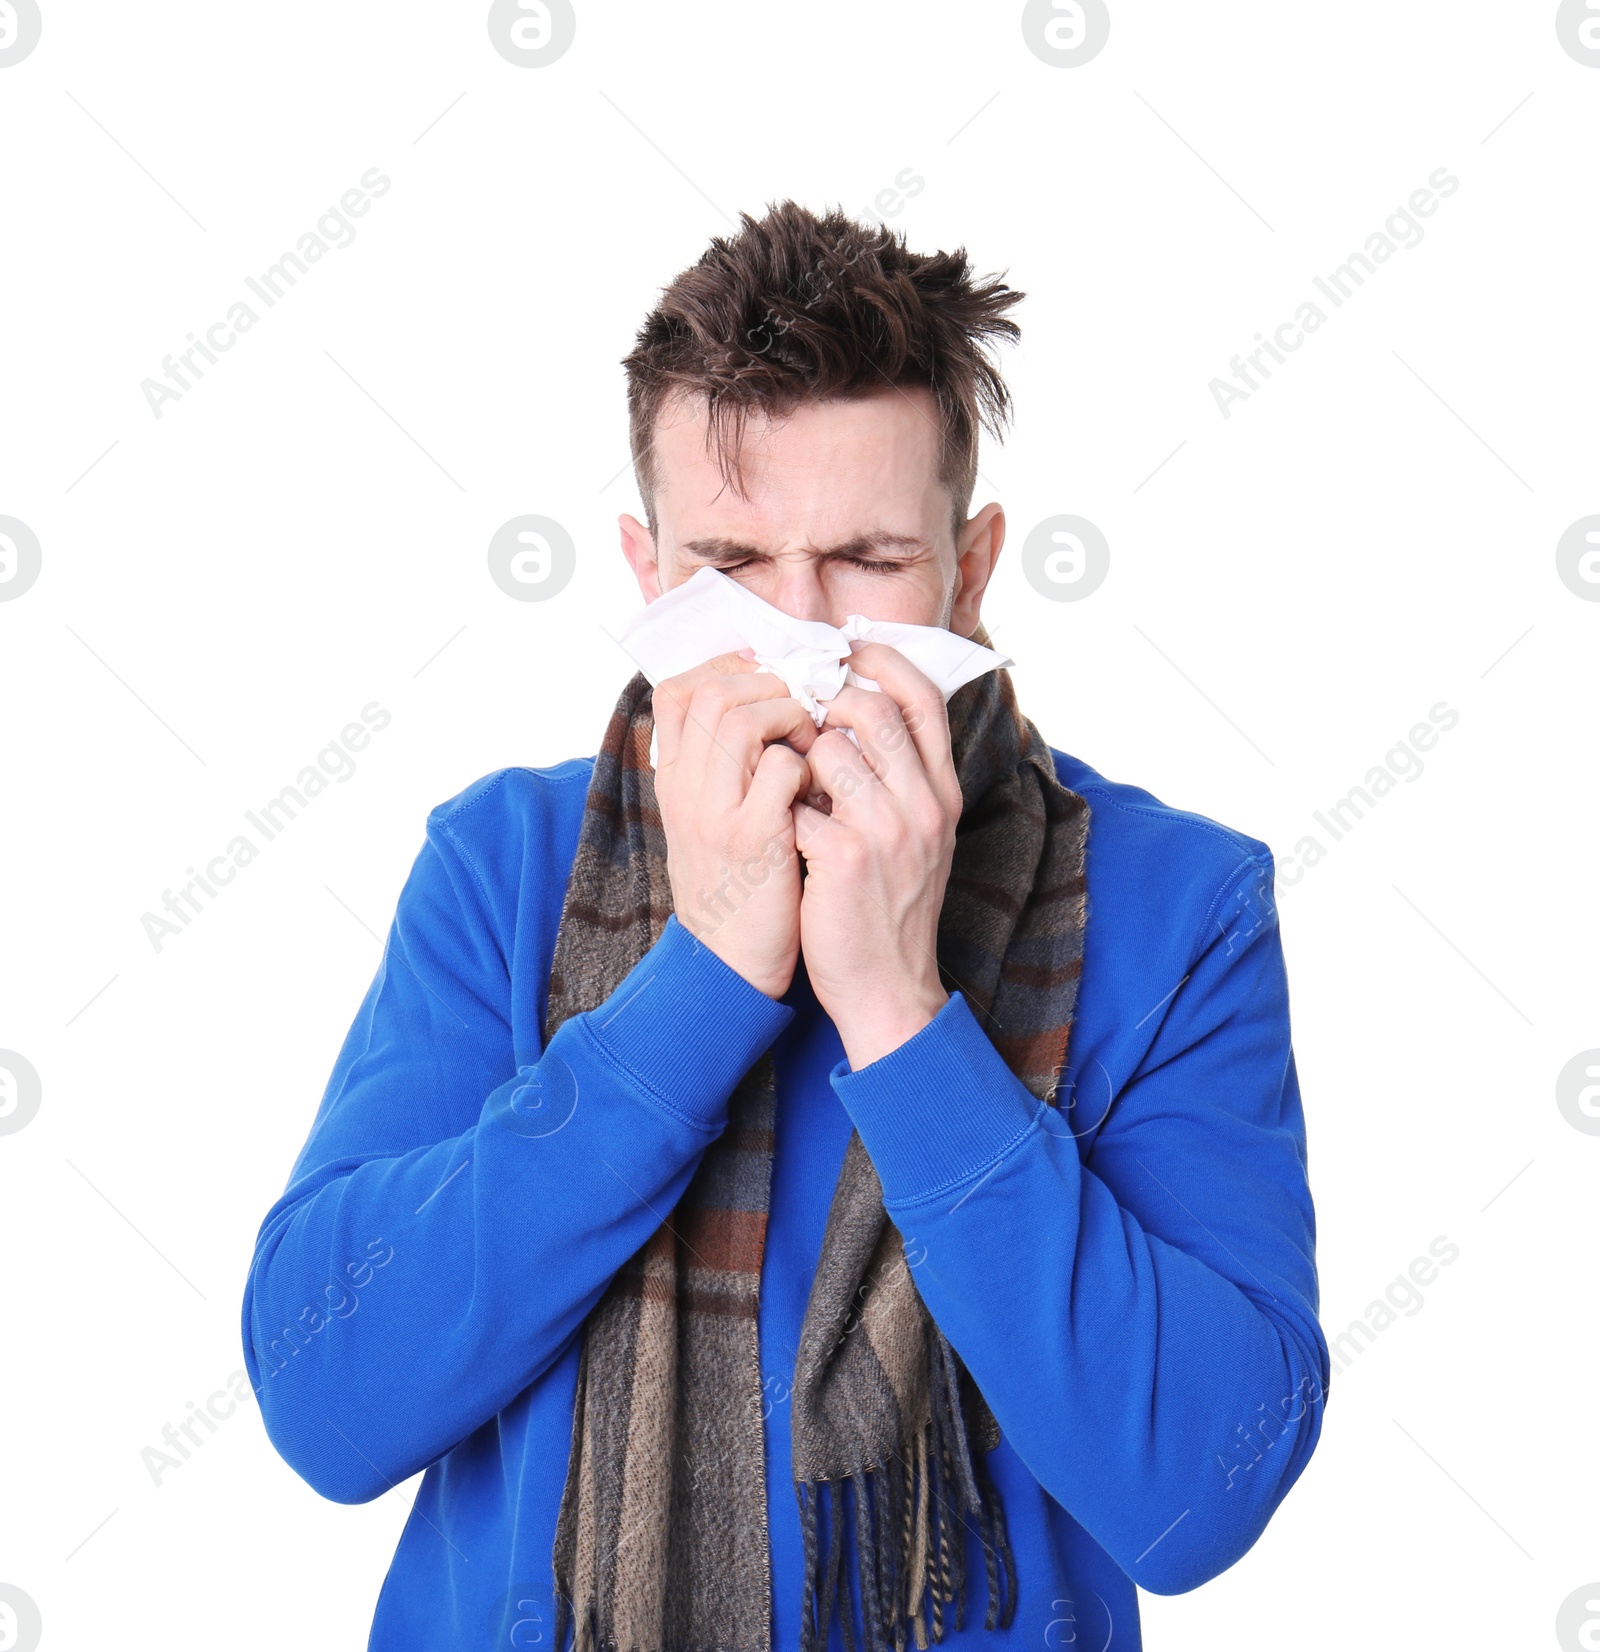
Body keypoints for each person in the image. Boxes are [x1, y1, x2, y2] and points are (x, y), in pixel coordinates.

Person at [241, 200, 1327, 1652]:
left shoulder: (1175, 905)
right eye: (733, 567)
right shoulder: (502, 863)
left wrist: (901, 1016)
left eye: (869, 557)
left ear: (973, 567)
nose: (799, 635)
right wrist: (699, 984)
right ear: (646, 575)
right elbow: (330, 1400)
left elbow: (1204, 1490)